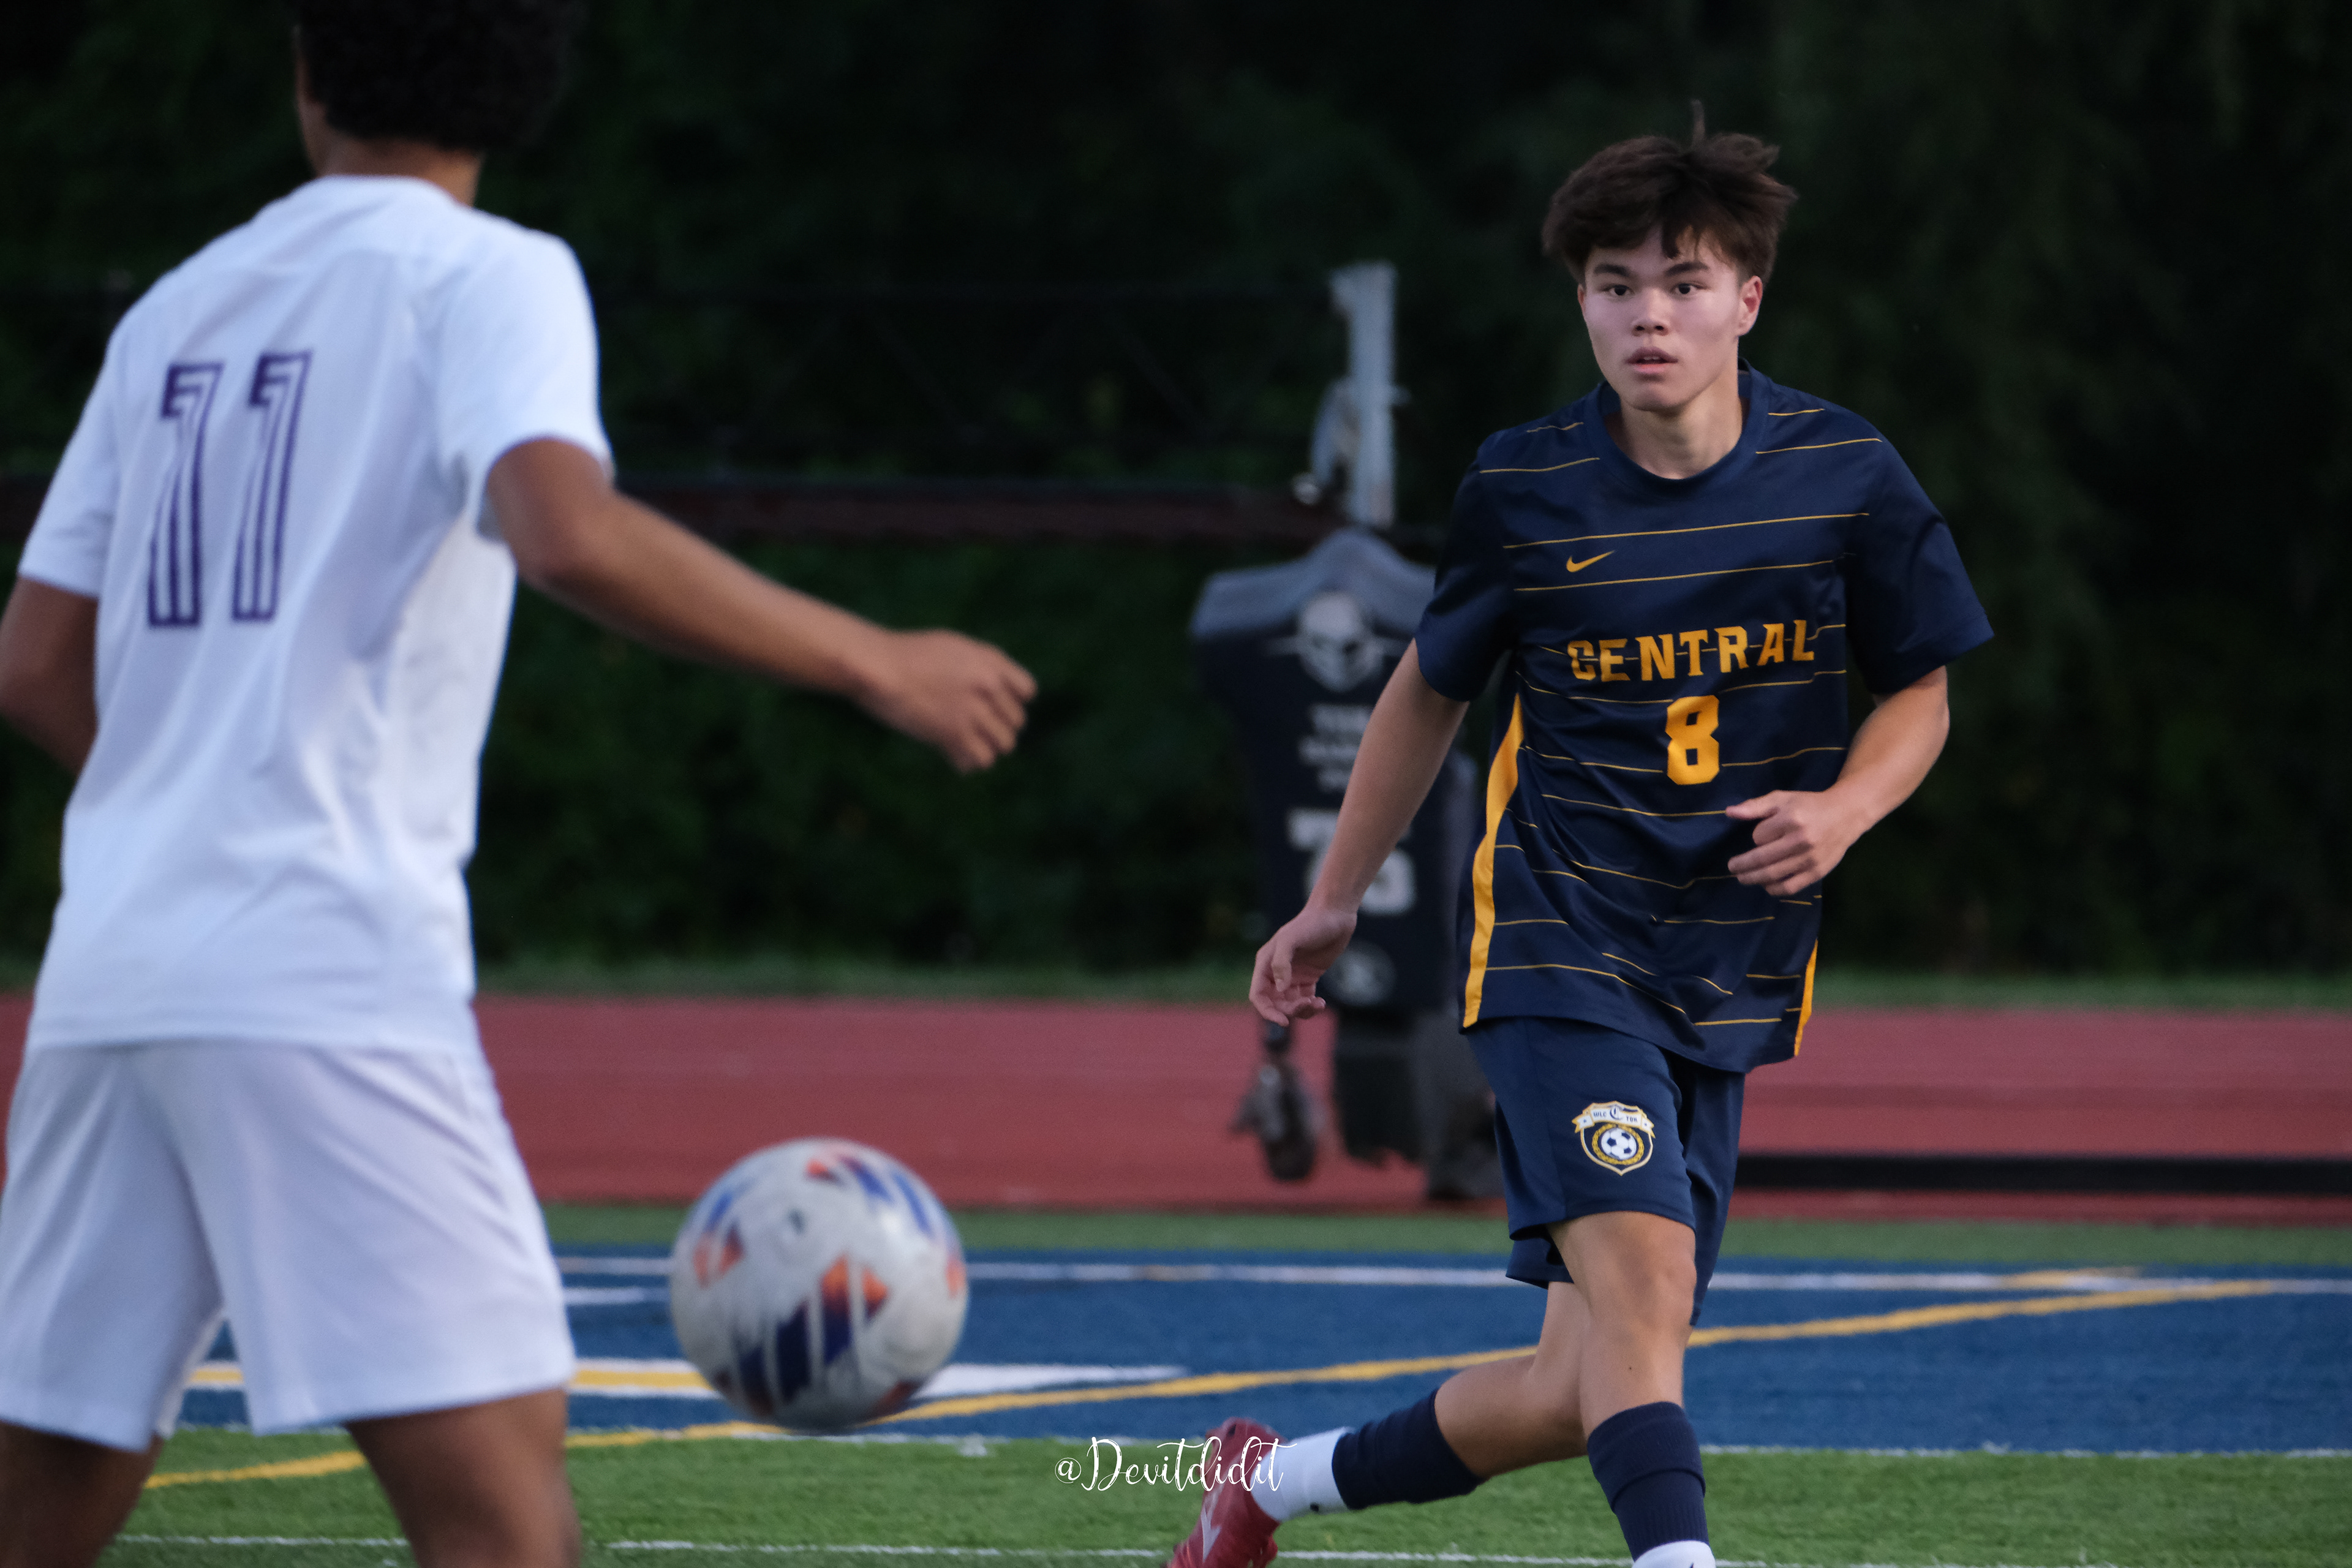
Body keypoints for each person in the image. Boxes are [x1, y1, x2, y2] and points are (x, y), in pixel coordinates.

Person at [0, 4, 1034, 1565]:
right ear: (527, 90)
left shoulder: (177, 309)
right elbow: (564, 527)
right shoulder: (491, 274)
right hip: (319, 971)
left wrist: (190, 791)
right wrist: (873, 657)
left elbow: (31, 661)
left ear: (309, 75)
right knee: (502, 1517)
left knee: (43, 1488)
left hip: (108, 975)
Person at [1166, 119, 1991, 1568]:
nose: (1647, 315)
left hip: (1728, 964)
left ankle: (1266, 1480)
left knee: (1579, 1382)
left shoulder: (1846, 473)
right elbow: (1427, 690)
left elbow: (1920, 690)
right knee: (1647, 1297)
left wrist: (1846, 807)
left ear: (1748, 299)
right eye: (1616, 285)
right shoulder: (1526, 488)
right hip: (1559, 940)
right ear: (1582, 303)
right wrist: (1335, 897)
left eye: (1684, 282)